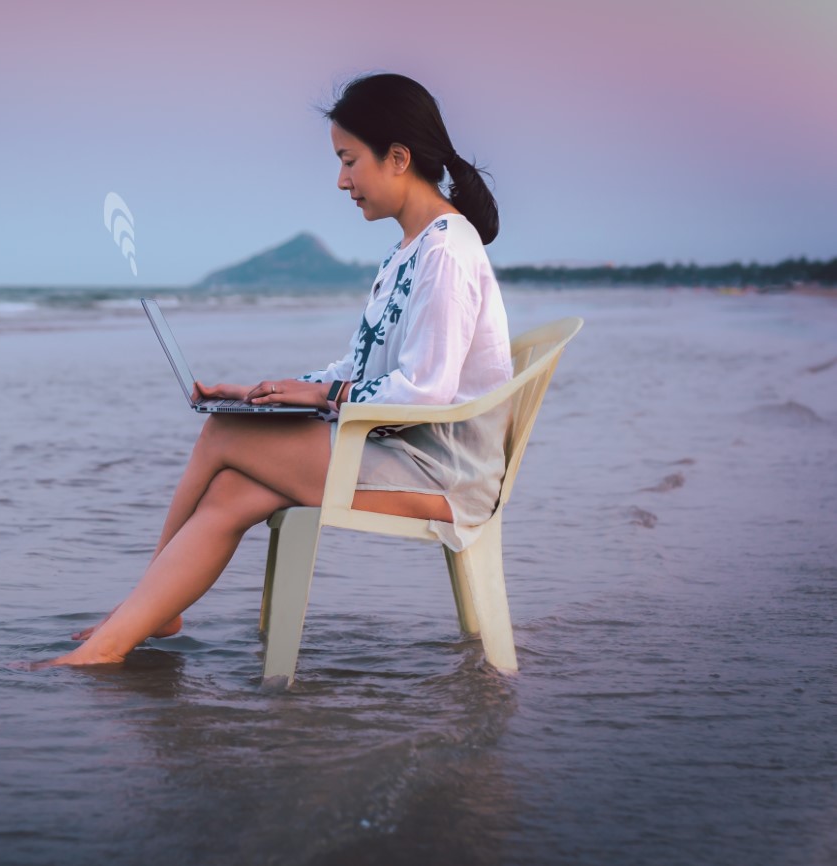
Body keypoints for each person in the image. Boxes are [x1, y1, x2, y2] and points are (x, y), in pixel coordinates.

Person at [39, 72, 513, 668]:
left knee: (223, 432)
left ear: (398, 158)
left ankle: (140, 617)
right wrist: (270, 390)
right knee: (235, 486)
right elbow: (362, 365)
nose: (341, 180)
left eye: (349, 160)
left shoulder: (445, 250)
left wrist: (321, 396)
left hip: (442, 478)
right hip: (402, 451)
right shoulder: (411, 248)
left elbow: (427, 391)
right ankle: (126, 631)